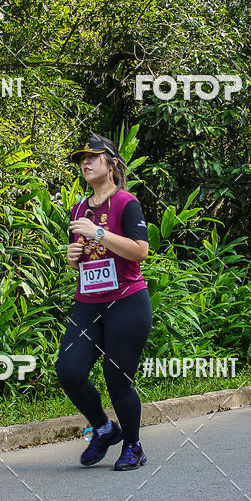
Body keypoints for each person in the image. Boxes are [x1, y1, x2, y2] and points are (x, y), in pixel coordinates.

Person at [55, 133, 153, 470]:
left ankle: (133, 445)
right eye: (81, 159)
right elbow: (81, 258)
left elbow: (140, 250)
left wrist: (98, 233)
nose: (84, 163)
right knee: (68, 371)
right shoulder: (79, 208)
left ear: (110, 163)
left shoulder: (127, 203)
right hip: (89, 303)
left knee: (116, 377)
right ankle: (103, 427)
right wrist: (72, 256)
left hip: (127, 302)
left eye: (92, 157)